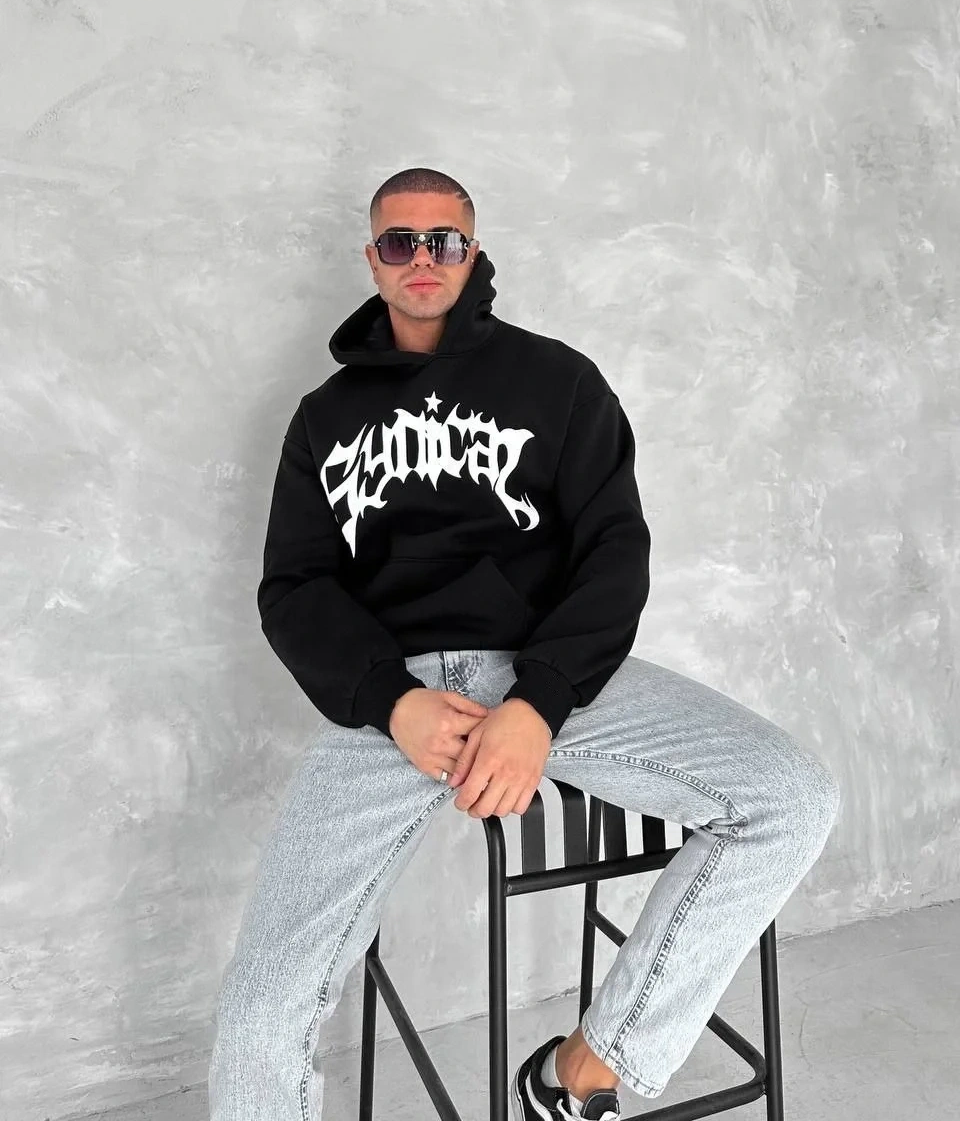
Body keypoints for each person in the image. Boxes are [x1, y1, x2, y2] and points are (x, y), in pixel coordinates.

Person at [207, 167, 841, 1121]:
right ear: (372, 259)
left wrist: (538, 703)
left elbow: (615, 553)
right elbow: (293, 589)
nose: (423, 259)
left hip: (544, 673)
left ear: (474, 251)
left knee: (790, 795)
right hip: (391, 701)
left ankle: (589, 1065)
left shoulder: (560, 382)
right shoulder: (323, 417)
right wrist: (391, 700)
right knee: (266, 995)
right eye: (400, 242)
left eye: (445, 241)